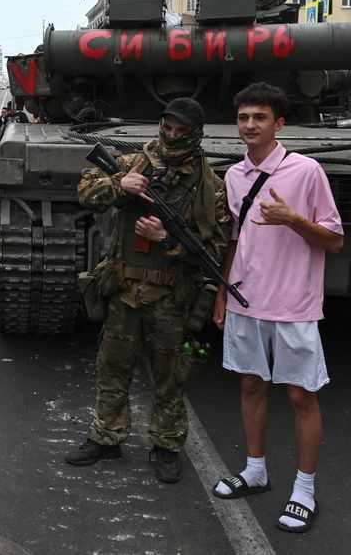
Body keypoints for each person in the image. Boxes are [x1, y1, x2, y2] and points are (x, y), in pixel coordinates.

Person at [65, 98, 230, 485]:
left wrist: (167, 240)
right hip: (123, 288)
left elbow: (217, 251)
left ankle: (167, 446)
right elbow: (85, 192)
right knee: (113, 366)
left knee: (170, 376)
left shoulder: (210, 187)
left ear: (195, 133)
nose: (172, 136)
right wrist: (117, 184)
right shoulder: (133, 162)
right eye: (167, 127)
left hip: (171, 296)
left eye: (181, 130)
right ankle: (106, 436)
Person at [211, 82, 343, 535]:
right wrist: (222, 292)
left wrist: (294, 220)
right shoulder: (234, 176)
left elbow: (335, 239)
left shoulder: (306, 172)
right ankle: (255, 470)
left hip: (294, 303)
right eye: (244, 117)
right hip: (248, 298)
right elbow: (235, 240)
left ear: (279, 123)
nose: (250, 125)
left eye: (260, 117)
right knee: (251, 386)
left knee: (300, 395)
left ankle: (304, 488)